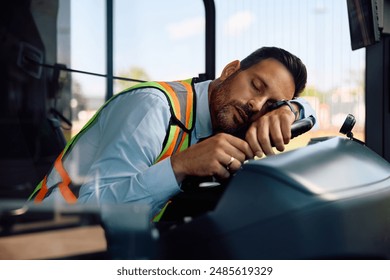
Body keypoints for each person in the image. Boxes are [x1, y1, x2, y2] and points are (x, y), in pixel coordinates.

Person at [29, 46, 316, 218]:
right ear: (230, 71)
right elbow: (93, 208)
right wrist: (180, 166)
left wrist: (292, 110)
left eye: (271, 105)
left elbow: (309, 109)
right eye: (256, 86)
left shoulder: (231, 124)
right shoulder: (153, 107)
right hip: (43, 242)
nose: (256, 105)